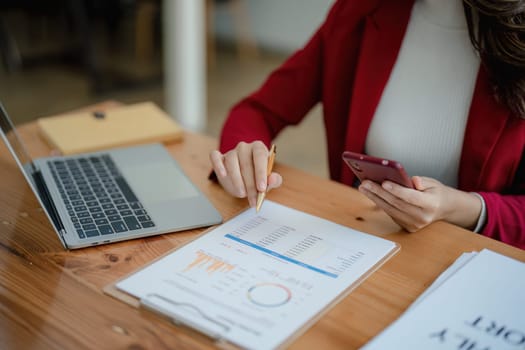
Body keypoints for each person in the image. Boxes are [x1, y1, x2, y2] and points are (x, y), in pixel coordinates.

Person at [209, 0, 525, 249]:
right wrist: (243, 156)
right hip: (355, 248)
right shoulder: (359, 11)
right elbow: (256, 111)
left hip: (472, 266)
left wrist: (465, 208)